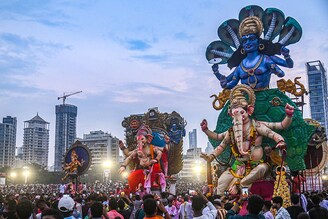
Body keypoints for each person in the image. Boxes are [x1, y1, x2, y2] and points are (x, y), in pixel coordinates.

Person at [211, 16, 293, 90]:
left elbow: (288, 66)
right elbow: (230, 82)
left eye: (252, 39)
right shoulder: (240, 66)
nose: (248, 43)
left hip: (265, 98)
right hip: (246, 100)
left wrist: (286, 56)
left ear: (258, 42)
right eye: (245, 41)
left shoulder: (266, 59)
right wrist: (219, 76)